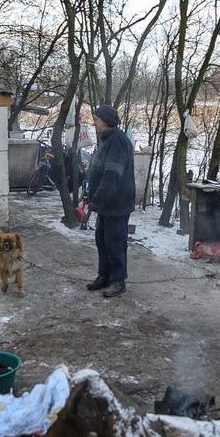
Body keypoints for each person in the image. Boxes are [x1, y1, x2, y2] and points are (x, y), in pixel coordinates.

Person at [83, 104, 135, 298]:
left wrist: (97, 197)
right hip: (105, 202)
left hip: (117, 203)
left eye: (97, 119)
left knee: (115, 242)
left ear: (105, 121)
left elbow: (111, 175)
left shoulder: (118, 141)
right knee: (101, 240)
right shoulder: (106, 139)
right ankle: (104, 275)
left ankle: (119, 280)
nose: (94, 122)